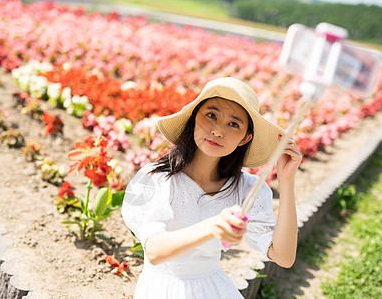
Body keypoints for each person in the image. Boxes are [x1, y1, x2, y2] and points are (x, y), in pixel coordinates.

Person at [122, 77, 302, 298]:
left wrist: (287, 181)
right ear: (194, 118)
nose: (218, 131)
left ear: (246, 138)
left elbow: (283, 256)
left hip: (214, 289)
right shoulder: (155, 178)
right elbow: (155, 251)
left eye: (233, 124)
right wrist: (212, 227)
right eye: (211, 115)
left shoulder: (246, 189)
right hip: (163, 289)